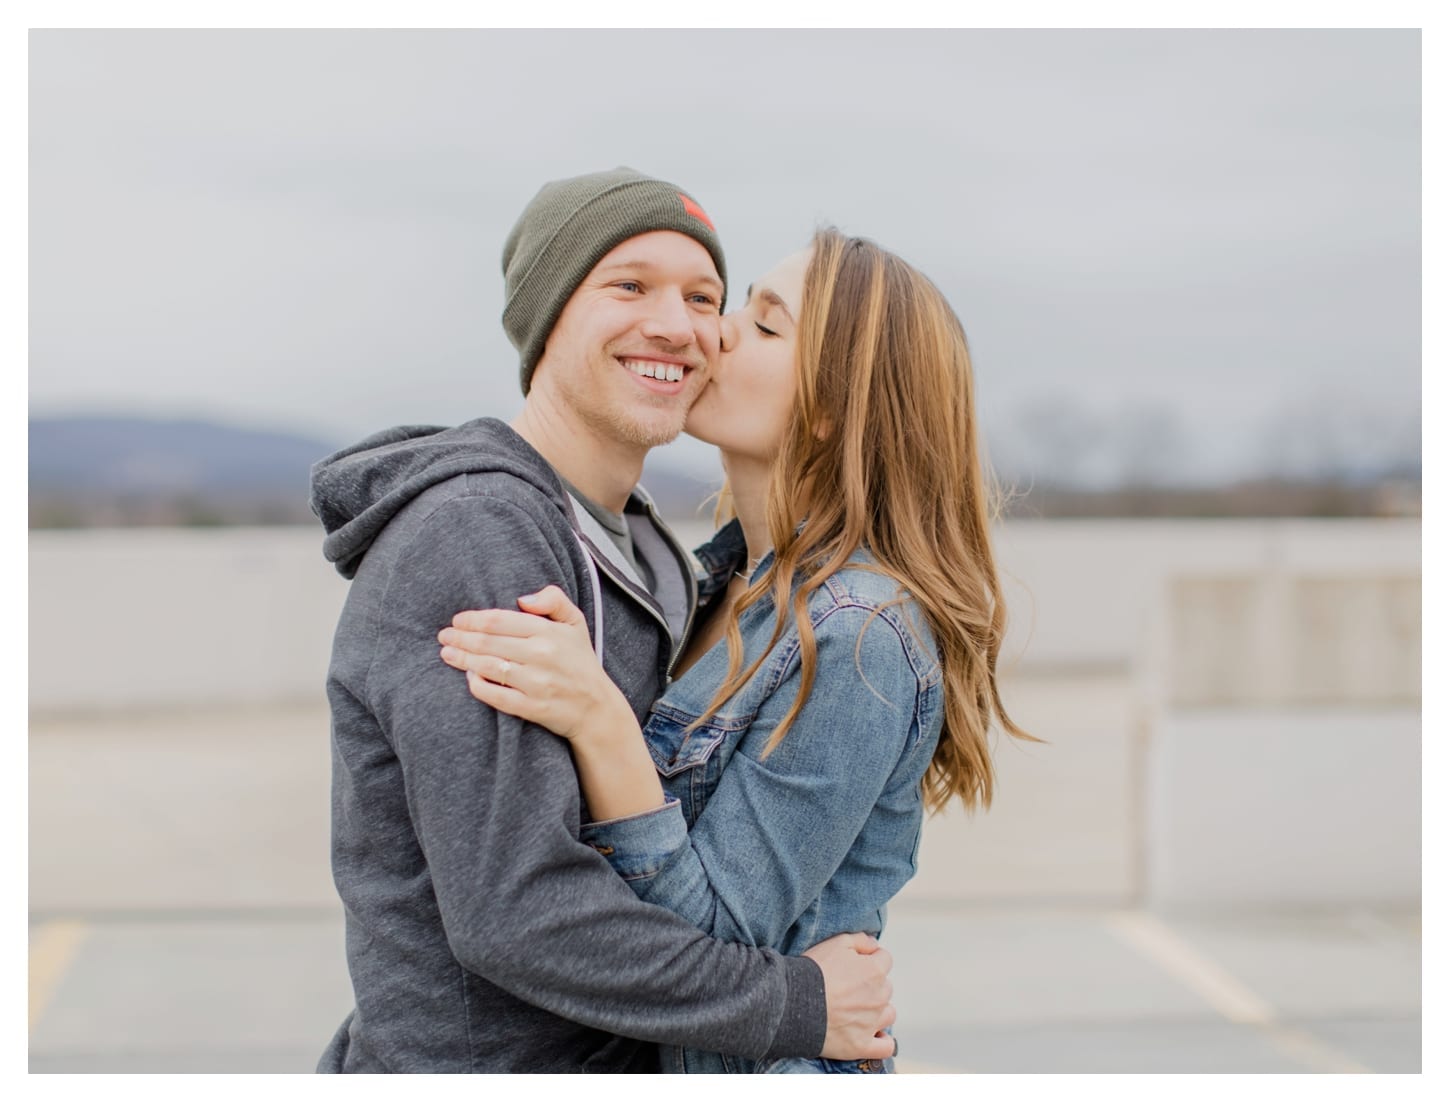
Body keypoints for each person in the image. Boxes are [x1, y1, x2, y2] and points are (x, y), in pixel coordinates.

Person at [309, 169, 895, 1074]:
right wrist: (793, 1004)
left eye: (705, 297)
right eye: (629, 285)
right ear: (549, 315)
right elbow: (518, 908)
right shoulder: (480, 534)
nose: (678, 323)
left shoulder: (659, 557)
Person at [437, 226, 1036, 1073]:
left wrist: (602, 722)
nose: (711, 333)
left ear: (830, 406)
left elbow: (712, 940)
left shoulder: (858, 634)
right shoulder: (714, 585)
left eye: (762, 324)